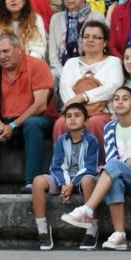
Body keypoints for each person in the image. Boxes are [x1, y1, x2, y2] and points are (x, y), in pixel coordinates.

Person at [60, 86, 131, 250]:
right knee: (114, 179)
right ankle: (120, 235)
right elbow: (113, 158)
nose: (120, 102)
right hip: (122, 175)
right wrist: (127, 161)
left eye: (125, 99)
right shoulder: (109, 128)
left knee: (113, 167)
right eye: (116, 99)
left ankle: (88, 209)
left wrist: (125, 162)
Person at [0, 32, 56, 194]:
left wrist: (12, 125)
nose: (1, 56)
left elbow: (40, 104)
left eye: (6, 51)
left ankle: (33, 182)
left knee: (33, 124)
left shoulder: (37, 65)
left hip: (37, 119)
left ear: (19, 49)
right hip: (5, 120)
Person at [31, 103, 101, 250]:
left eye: (77, 116)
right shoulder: (61, 141)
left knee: (88, 180)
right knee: (38, 181)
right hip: (62, 180)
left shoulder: (92, 141)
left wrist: (72, 184)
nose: (72, 119)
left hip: (82, 179)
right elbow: (56, 167)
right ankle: (43, 229)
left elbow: (90, 168)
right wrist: (64, 183)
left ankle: (92, 228)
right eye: (69, 116)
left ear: (86, 121)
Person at [54, 20, 123, 143]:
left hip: (103, 112)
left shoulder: (113, 62)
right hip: (74, 112)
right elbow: (64, 87)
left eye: (96, 37)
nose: (90, 40)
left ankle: (99, 162)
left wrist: (83, 97)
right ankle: (64, 162)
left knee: (94, 123)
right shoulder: (71, 62)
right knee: (61, 124)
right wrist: (77, 110)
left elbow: (113, 87)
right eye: (86, 37)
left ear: (105, 42)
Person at [49, 0, 107, 83]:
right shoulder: (56, 19)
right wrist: (65, 75)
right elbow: (53, 57)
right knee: (51, 76)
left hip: (90, 67)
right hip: (62, 69)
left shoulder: (97, 17)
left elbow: (102, 50)